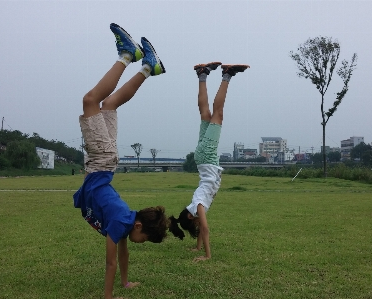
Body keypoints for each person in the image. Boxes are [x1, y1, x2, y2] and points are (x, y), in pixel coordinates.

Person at [73, 23, 168, 299]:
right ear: (139, 227)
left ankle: (150, 67)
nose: (140, 243)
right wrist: (108, 295)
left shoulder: (125, 222)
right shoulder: (120, 222)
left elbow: (121, 258)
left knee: (108, 105)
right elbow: (111, 262)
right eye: (145, 240)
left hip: (104, 163)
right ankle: (127, 55)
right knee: (91, 100)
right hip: (101, 161)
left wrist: (125, 284)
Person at [168, 62, 249, 262]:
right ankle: (202, 74)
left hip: (208, 158)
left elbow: (204, 228)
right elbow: (199, 228)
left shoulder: (199, 206)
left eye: (194, 223)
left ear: (190, 216)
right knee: (205, 115)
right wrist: (197, 247)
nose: (198, 224)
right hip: (202, 159)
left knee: (217, 114)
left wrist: (207, 256)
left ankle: (227, 75)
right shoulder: (194, 205)